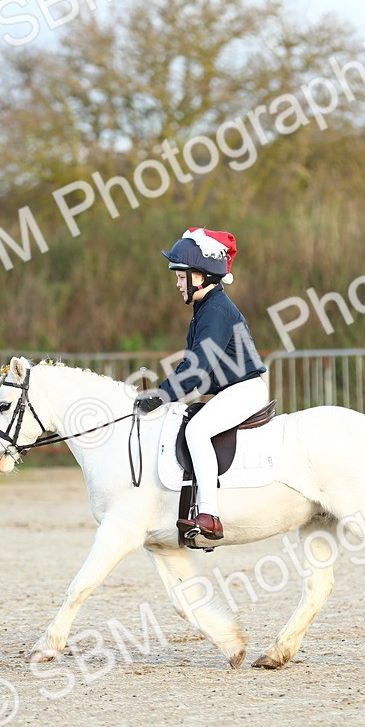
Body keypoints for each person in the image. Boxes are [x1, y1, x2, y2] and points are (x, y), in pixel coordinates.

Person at [135, 227, 268, 541]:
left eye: (181, 276)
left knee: (197, 430)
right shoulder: (205, 310)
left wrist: (162, 395)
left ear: (202, 275)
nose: (177, 283)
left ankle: (209, 513)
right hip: (232, 389)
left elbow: (196, 370)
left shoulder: (215, 313)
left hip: (244, 391)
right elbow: (192, 367)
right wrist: (165, 394)